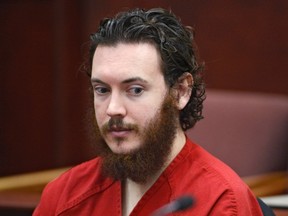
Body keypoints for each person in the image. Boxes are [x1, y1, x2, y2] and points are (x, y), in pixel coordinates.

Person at [33, 8, 263, 215]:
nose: (113, 109)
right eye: (102, 90)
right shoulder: (64, 195)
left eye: (135, 90)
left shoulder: (222, 201)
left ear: (181, 91)